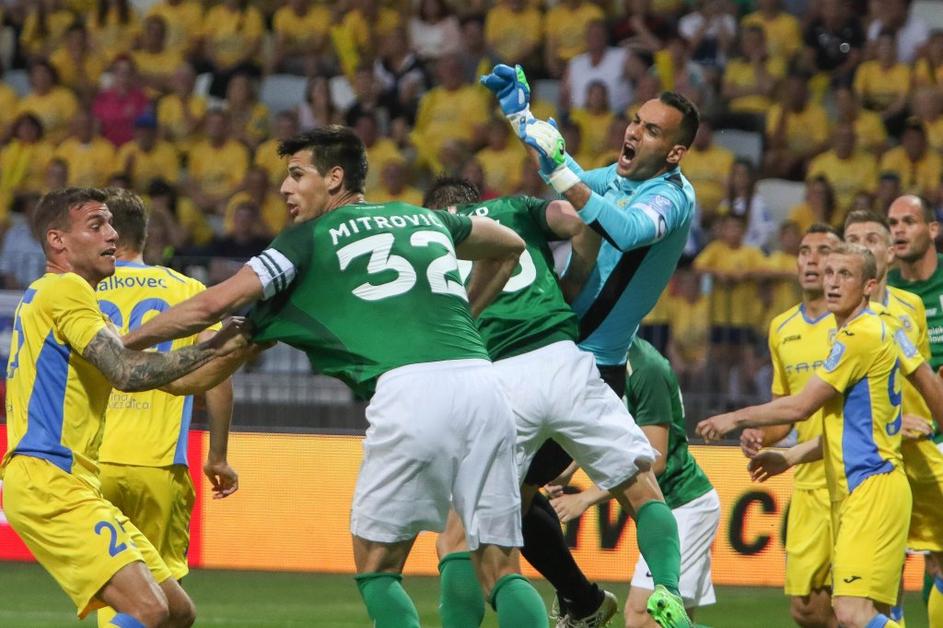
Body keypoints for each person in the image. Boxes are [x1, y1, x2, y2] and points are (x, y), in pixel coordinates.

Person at [120, 126, 548, 627]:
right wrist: (468, 313)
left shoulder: (306, 242)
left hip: (410, 393)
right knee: (499, 566)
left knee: (377, 567)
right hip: (483, 383)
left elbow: (212, 308)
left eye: (297, 175)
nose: (285, 188)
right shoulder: (421, 216)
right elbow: (510, 244)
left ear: (335, 178)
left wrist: (122, 346)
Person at [482, 63, 699, 628]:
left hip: (597, 366)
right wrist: (523, 118)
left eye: (652, 130)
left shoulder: (672, 197)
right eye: (636, 121)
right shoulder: (616, 180)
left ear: (674, 153)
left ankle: (625, 597)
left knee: (501, 508)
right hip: (554, 357)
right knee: (526, 498)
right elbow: (569, 180)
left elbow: (624, 231)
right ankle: (596, 598)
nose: (635, 131)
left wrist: (561, 169)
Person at [424, 177, 687, 627]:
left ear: (434, 210)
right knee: (642, 490)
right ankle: (667, 588)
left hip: (499, 380)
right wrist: (574, 279)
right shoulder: (514, 208)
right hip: (566, 362)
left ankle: (565, 604)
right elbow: (581, 221)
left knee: (461, 543)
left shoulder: (429, 237)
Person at [1, 187, 247, 627]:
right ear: (58, 240)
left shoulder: (73, 303)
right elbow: (127, 372)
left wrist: (239, 346)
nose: (112, 235)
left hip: (77, 479)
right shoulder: (65, 289)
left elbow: (175, 381)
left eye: (111, 224)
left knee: (178, 612)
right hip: (50, 478)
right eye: (96, 226)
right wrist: (216, 346)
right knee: (149, 609)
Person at [697, 243, 943, 628]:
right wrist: (791, 456)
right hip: (863, 487)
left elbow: (800, 407)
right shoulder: (877, 326)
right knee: (864, 614)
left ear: (869, 285)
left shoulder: (858, 336)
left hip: (871, 487)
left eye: (845, 275)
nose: (832, 283)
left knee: (850, 612)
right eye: (829, 273)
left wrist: (735, 417)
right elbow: (847, 430)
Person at [94, 188, 243, 627]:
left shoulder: (81, 292)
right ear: (145, 235)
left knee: (117, 593)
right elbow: (217, 376)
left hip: (92, 464)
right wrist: (218, 455)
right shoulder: (188, 290)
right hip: (158, 463)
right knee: (162, 601)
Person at [546, 336, 720, 628]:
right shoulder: (598, 358)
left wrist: (585, 498)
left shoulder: (647, 368)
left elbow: (655, 457)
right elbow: (601, 429)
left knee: (642, 617)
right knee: (669, 622)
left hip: (683, 503)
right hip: (661, 508)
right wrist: (566, 469)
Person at [842, 210, 943, 626]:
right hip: (867, 459)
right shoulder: (835, 318)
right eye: (853, 238)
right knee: (878, 580)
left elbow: (921, 378)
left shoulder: (910, 307)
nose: (862, 246)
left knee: (937, 557)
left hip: (921, 452)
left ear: (888, 252)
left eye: (871, 238)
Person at [740, 223, 840, 628]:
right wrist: (761, 433)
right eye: (804, 251)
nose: (812, 260)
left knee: (857, 602)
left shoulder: (853, 323)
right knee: (807, 609)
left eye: (823, 251)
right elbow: (785, 407)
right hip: (809, 481)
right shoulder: (781, 327)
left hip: (853, 477)